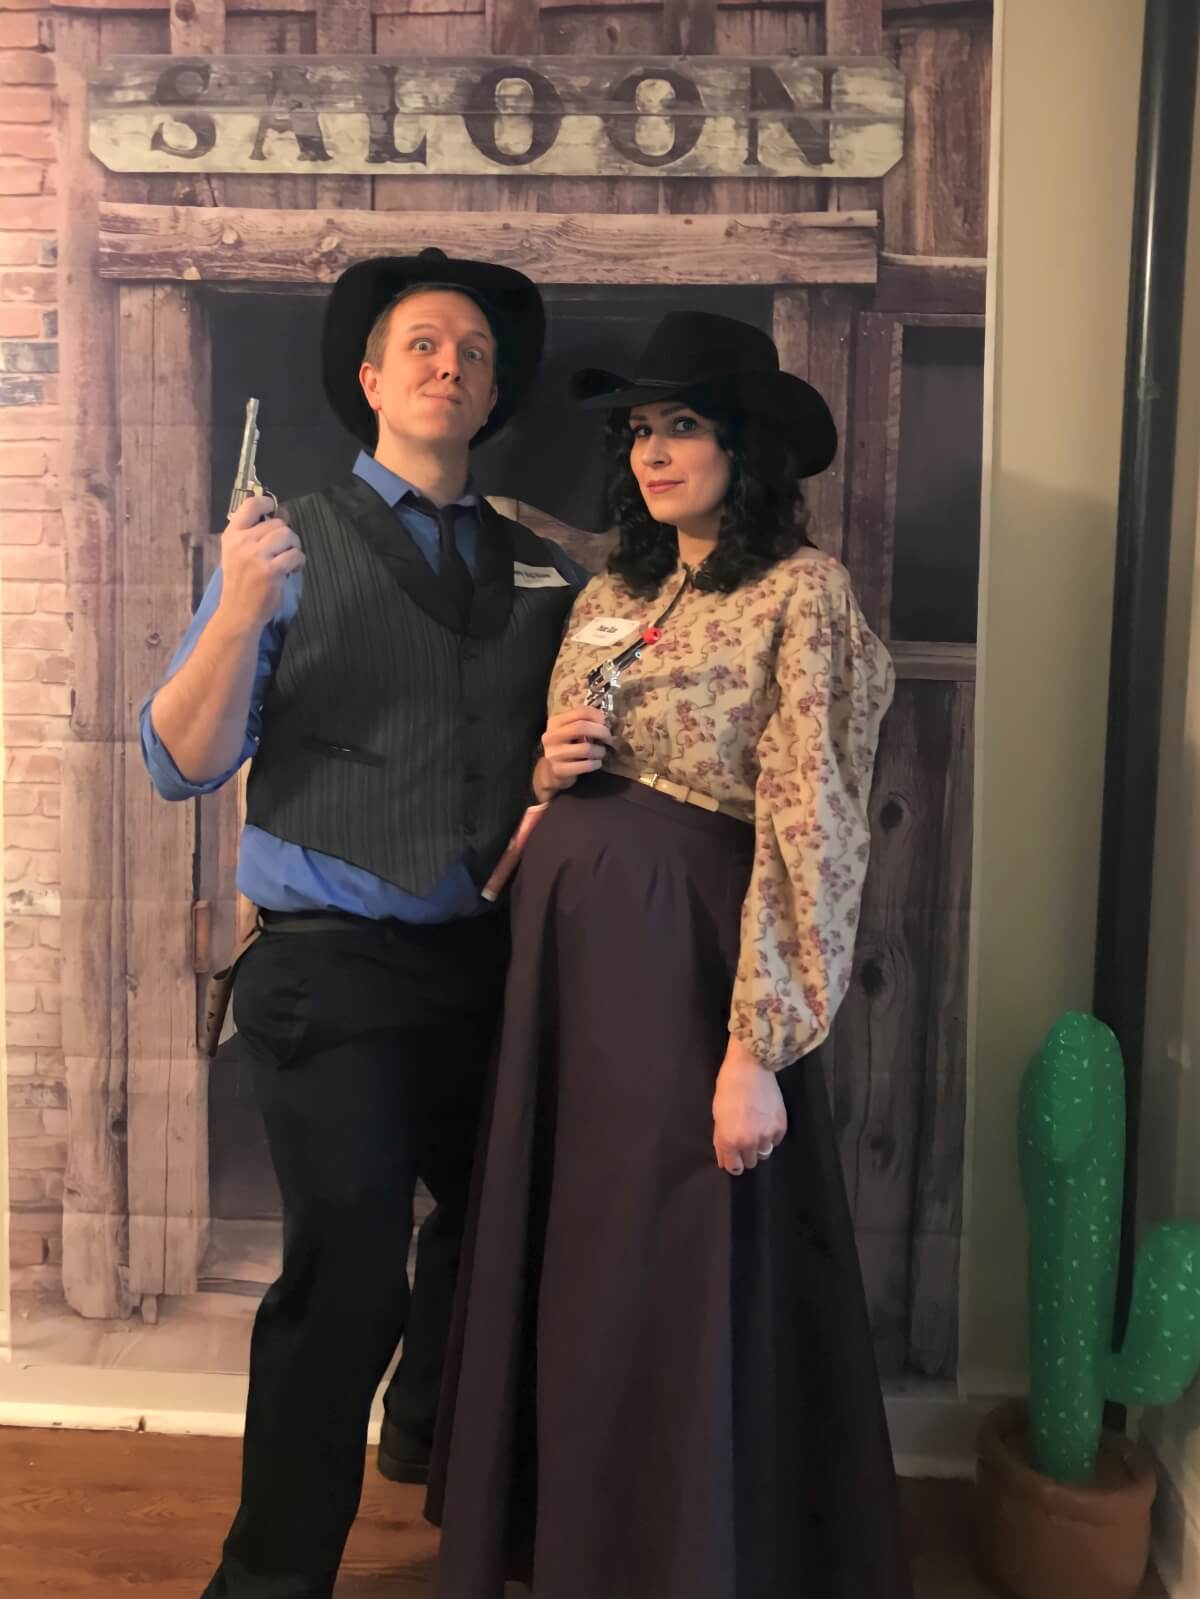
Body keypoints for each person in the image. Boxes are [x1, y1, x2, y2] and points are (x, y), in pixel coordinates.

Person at [428, 311, 914, 1599]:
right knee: (577, 1245)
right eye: (640, 429)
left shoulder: (802, 595)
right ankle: (572, 1539)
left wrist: (759, 1044)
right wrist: (547, 765)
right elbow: (547, 778)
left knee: (666, 1252)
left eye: (683, 425)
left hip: (688, 966)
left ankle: (676, 1548)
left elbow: (816, 816)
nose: (653, 451)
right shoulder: (609, 594)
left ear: (743, 447)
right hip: (565, 969)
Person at [140, 247, 584, 1599]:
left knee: (507, 1226)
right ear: (373, 378)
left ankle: (434, 1442)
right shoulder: (281, 542)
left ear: (493, 393)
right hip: (330, 971)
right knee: (347, 1287)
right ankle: (267, 1582)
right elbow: (178, 760)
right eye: (425, 345)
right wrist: (237, 615)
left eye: (477, 353)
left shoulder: (539, 569)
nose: (453, 365)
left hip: (487, 962)